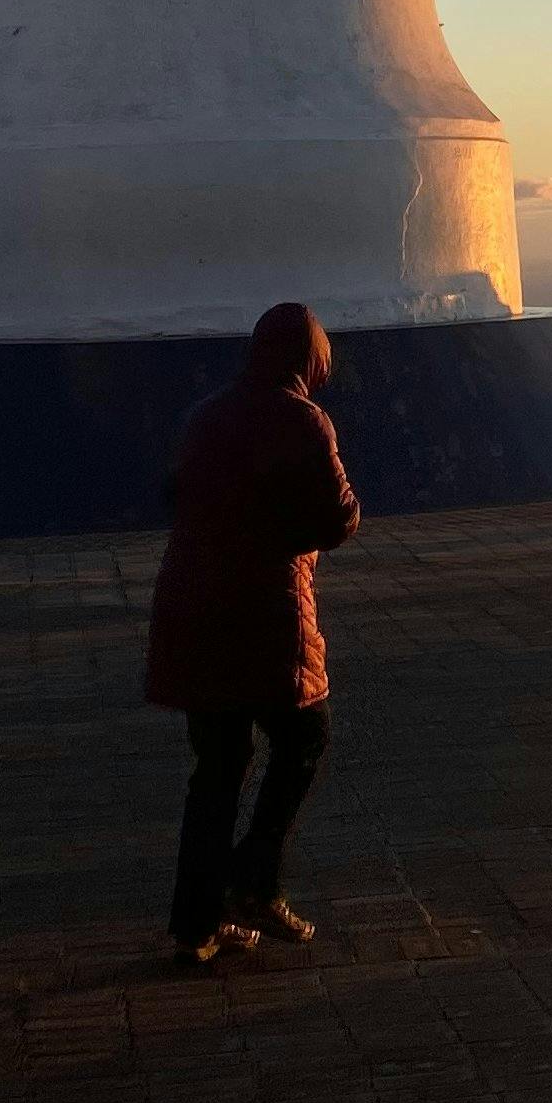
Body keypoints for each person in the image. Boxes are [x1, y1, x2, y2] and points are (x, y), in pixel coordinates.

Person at [148, 301, 360, 966]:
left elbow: (174, 494)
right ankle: (253, 883)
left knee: (217, 768)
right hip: (266, 611)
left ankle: (196, 925)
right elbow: (338, 517)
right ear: (309, 357)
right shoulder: (302, 420)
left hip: (190, 608)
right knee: (303, 737)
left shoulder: (207, 413)